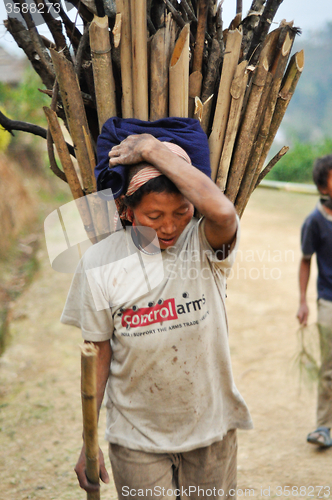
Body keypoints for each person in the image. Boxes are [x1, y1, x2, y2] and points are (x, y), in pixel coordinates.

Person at [61, 131, 253, 499]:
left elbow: (224, 211)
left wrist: (152, 149)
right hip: (136, 437)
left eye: (181, 211)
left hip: (210, 427)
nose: (169, 227)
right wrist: (89, 440)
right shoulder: (101, 263)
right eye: (154, 215)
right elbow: (97, 352)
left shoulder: (204, 242)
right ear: (125, 210)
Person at [297, 154, 332, 448]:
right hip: (328, 303)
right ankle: (323, 426)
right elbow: (305, 262)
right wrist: (303, 301)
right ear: (323, 185)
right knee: (329, 369)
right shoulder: (315, 222)